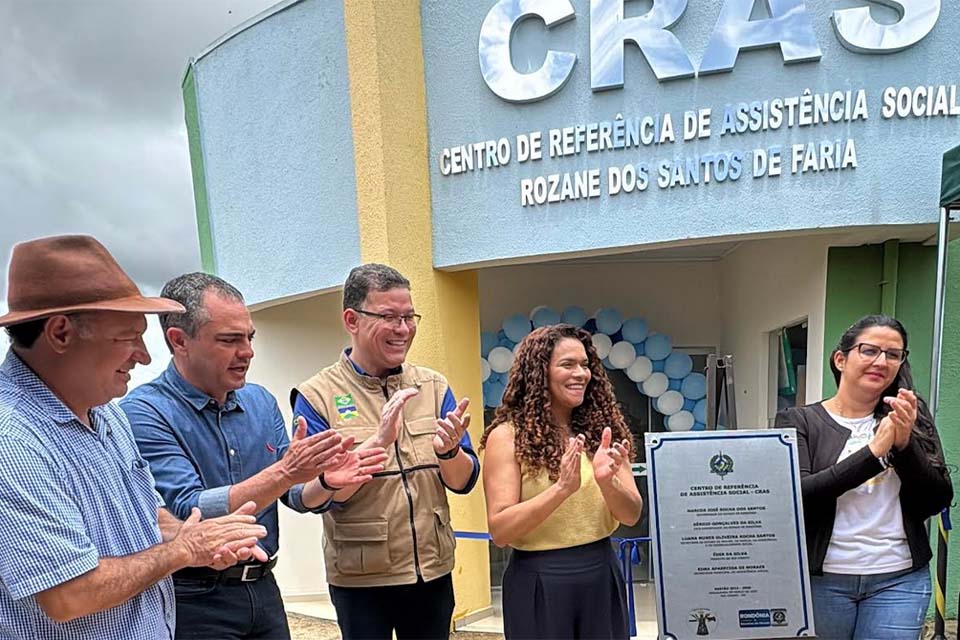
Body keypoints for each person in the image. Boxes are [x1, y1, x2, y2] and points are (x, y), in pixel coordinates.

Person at [0, 235, 268, 639]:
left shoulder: (105, 411)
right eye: (127, 337)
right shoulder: (13, 440)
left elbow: (147, 514)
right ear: (60, 333)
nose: (143, 356)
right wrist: (184, 551)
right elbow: (69, 593)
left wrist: (193, 535)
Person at [121, 272, 388, 640]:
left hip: (263, 589)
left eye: (249, 337)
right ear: (179, 340)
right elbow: (188, 509)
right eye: (229, 340)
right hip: (193, 599)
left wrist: (325, 482)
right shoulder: (143, 412)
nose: (247, 351)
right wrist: (285, 473)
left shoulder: (260, 402)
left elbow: (293, 494)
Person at [291, 263, 480, 639]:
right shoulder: (317, 396)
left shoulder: (433, 385)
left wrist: (448, 453)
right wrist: (365, 454)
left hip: (432, 571)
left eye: (409, 317)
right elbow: (307, 497)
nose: (403, 329)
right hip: (360, 582)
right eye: (389, 317)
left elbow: (464, 481)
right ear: (352, 319)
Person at [775, 314, 953, 640]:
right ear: (841, 359)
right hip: (820, 580)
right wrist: (874, 453)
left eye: (893, 354)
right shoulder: (798, 421)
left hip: (899, 578)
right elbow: (798, 496)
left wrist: (903, 446)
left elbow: (937, 499)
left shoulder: (910, 417)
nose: (881, 361)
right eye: (869, 350)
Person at [480, 324, 642, 640]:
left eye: (585, 365)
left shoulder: (604, 433)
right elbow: (500, 530)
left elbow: (632, 514)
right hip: (539, 579)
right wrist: (560, 490)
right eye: (568, 364)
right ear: (539, 372)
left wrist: (608, 483)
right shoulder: (507, 438)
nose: (580, 373)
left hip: (600, 571)